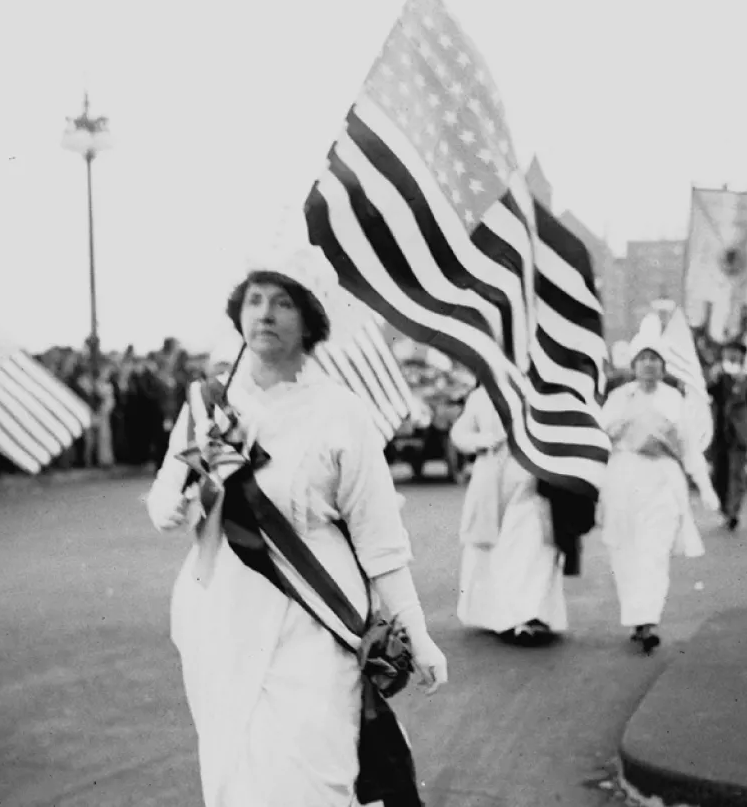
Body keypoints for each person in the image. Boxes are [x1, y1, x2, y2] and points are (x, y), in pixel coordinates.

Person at [146, 241, 447, 806]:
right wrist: (193, 481)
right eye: (254, 299)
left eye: (282, 302)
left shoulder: (341, 412)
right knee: (235, 773)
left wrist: (419, 634)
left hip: (313, 618)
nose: (264, 313)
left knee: (313, 772)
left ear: (309, 320)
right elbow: (166, 506)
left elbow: (381, 542)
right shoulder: (205, 405)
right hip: (222, 616)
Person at [600, 343, 721, 654]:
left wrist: (705, 487)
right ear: (634, 364)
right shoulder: (619, 397)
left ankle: (648, 619)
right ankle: (636, 616)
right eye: (643, 359)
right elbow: (601, 436)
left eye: (655, 359)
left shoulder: (673, 399)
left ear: (664, 366)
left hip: (662, 479)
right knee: (626, 551)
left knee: (654, 551)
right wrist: (624, 420)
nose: (649, 365)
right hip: (625, 476)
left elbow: (689, 447)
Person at [449, 384, 566, 645]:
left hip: (534, 485)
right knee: (495, 550)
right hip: (493, 481)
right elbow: (460, 433)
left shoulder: (542, 392)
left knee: (532, 547)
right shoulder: (482, 396)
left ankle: (531, 614)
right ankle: (504, 615)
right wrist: (483, 440)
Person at [707, 340, 747, 531]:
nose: (733, 356)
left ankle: (733, 512)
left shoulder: (746, 379)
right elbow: (707, 392)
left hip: (739, 433)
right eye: (729, 352)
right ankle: (723, 508)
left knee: (737, 474)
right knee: (719, 474)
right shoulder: (716, 375)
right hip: (718, 431)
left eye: (736, 353)